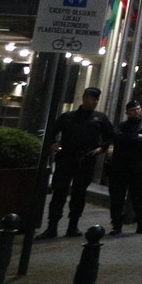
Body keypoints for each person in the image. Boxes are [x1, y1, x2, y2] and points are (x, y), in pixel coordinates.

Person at [38, 86, 114, 239]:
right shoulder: (68, 117)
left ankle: (72, 226)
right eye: (89, 98)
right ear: (84, 98)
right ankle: (52, 227)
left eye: (94, 99)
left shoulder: (100, 118)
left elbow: (111, 136)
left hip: (86, 160)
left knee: (79, 194)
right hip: (66, 158)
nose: (92, 102)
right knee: (59, 192)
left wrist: (101, 149)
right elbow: (52, 132)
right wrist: (53, 143)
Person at [107, 99, 142, 235]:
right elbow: (116, 138)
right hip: (121, 168)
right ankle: (117, 225)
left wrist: (127, 140)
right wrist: (136, 139)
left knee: (139, 197)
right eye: (133, 109)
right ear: (127, 112)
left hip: (137, 168)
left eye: (138, 108)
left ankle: (141, 224)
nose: (136, 111)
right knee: (118, 198)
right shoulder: (121, 126)